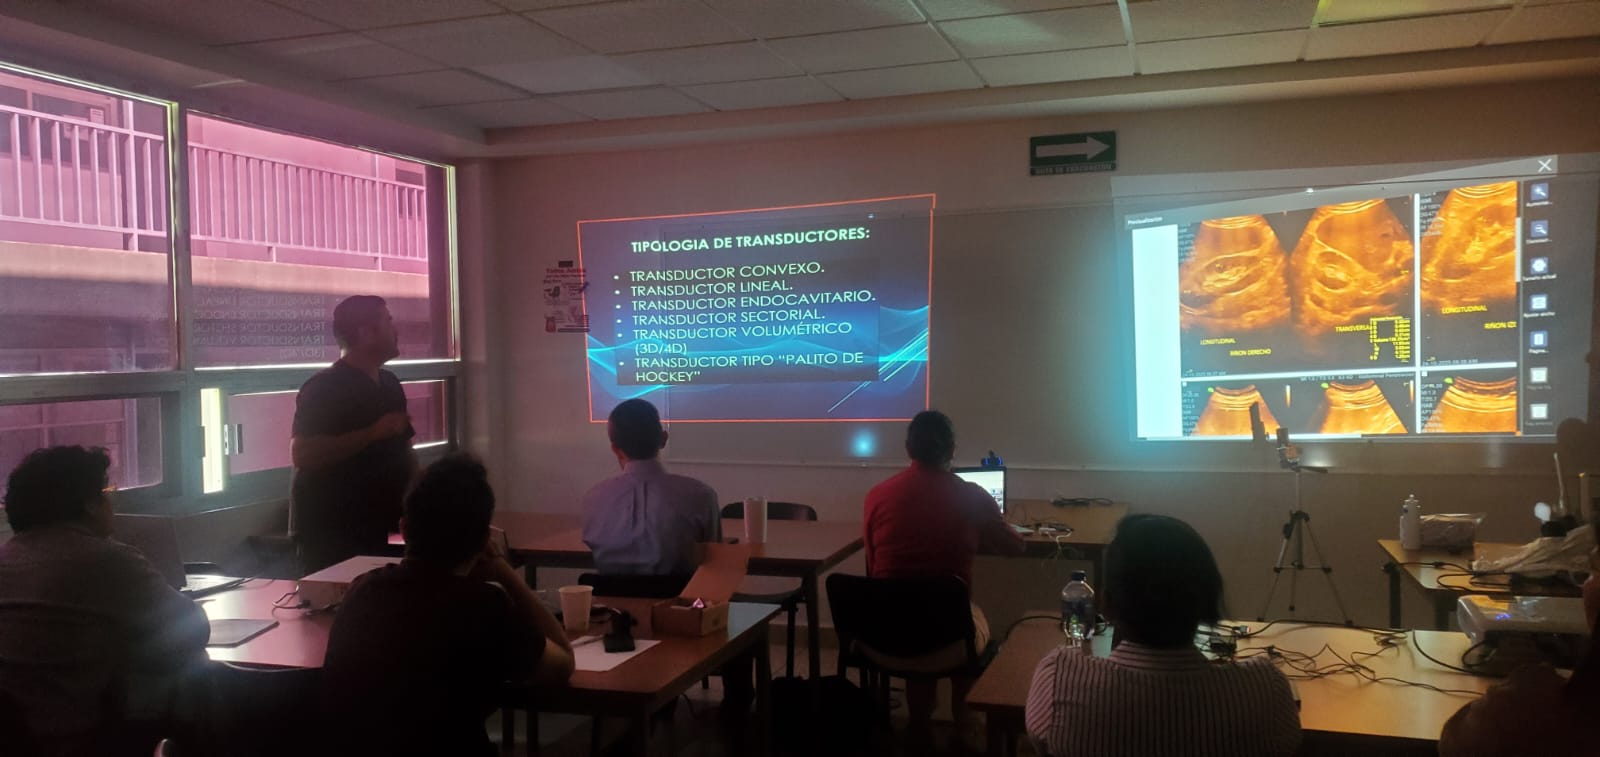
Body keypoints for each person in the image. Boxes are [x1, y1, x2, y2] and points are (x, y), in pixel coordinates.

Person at [321, 455, 574, 756]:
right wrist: (504, 572)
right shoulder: (482, 608)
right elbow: (563, 664)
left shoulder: (362, 591)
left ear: (404, 528)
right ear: (484, 541)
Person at [1024, 514, 1301, 757]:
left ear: (1106, 604)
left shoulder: (1060, 679)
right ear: (1209, 599)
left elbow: (1039, 742)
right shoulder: (1266, 691)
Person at [0, 446, 209, 757]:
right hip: (75, 742)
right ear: (89, 505)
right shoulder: (104, 560)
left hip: (16, 741)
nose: (111, 502)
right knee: (195, 681)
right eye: (106, 492)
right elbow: (194, 631)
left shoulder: (6, 558)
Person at [862, 409, 1026, 749]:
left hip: (885, 636)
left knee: (917, 610)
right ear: (952, 449)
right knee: (961, 619)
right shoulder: (972, 496)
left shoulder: (876, 496)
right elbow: (1015, 548)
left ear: (908, 448)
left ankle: (918, 726)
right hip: (948, 639)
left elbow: (874, 565)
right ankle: (964, 728)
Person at [1436, 517, 1600, 756]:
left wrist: (1516, 687)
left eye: (1593, 570)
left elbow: (1461, 739)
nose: (1584, 586)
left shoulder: (1532, 714)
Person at [291, 294, 416, 573]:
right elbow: (302, 454)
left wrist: (421, 499)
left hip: (383, 525)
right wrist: (372, 433)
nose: (396, 330)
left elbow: (405, 450)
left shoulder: (389, 383)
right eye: (388, 322)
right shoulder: (323, 388)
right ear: (366, 333)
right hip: (334, 532)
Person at [581, 398, 720, 576]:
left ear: (615, 448)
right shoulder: (701, 495)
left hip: (609, 594)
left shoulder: (592, 499)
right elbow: (715, 561)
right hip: (679, 594)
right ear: (663, 439)